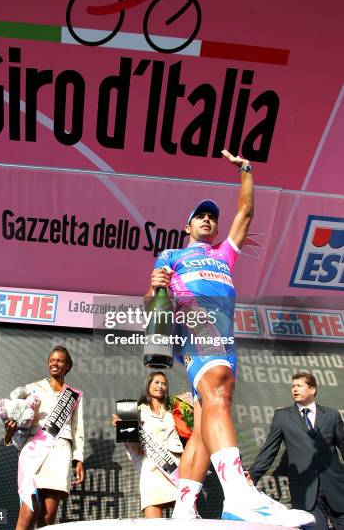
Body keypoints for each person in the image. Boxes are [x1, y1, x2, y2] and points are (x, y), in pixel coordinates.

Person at [148, 150, 315, 527]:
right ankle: (238, 495)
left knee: (209, 416)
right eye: (200, 216)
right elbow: (151, 305)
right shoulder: (171, 255)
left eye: (212, 216)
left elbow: (246, 212)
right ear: (188, 226)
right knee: (218, 391)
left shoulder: (225, 253)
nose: (208, 219)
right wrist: (155, 287)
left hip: (225, 336)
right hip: (192, 323)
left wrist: (246, 170)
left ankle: (184, 509)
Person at [247, 371, 344, 529]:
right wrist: (253, 474)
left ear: (312, 390)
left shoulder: (332, 416)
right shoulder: (282, 417)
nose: (294, 389)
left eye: (299, 385)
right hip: (305, 489)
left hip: (336, 487)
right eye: (293, 386)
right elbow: (269, 450)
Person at [4, 346, 85, 529]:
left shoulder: (74, 395)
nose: (54, 363)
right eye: (51, 360)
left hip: (60, 452)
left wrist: (78, 458)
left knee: (48, 517)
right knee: (28, 511)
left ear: (68, 366)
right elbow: (18, 417)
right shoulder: (33, 388)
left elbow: (77, 428)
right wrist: (10, 429)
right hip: (35, 449)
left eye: (59, 360)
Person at [112, 371, 183, 518]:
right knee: (152, 525)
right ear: (148, 385)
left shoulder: (174, 412)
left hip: (176, 469)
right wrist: (121, 427)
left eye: (164, 383)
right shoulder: (135, 411)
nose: (160, 386)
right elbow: (134, 447)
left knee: (183, 523)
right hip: (151, 471)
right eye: (156, 382)